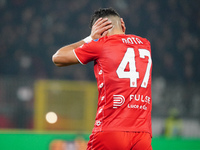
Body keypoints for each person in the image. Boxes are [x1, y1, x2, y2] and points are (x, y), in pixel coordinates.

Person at [52, 7, 152, 150]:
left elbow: (58, 58)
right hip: (143, 134)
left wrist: (90, 38)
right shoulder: (145, 44)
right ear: (122, 25)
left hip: (110, 130)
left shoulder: (100, 45)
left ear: (100, 30)